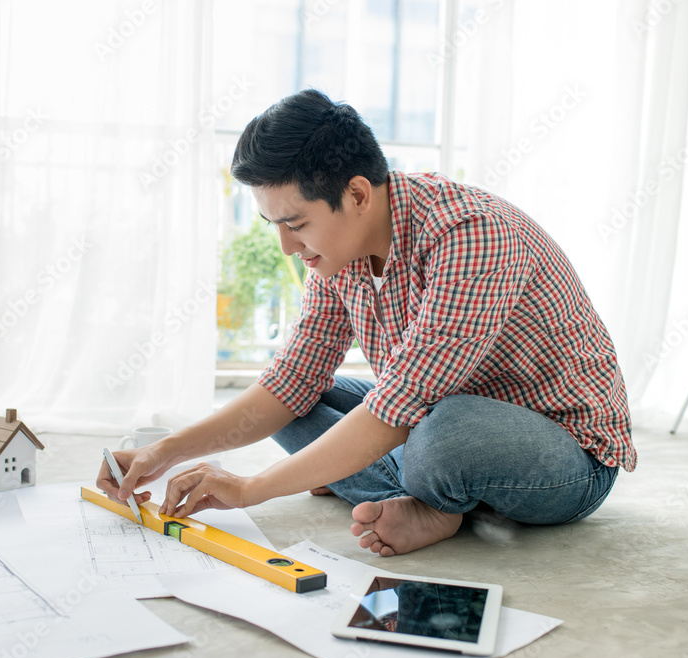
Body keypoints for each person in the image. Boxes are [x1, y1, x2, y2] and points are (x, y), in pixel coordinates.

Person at [97, 89, 635, 556]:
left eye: (296, 224)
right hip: (429, 413)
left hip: (563, 452)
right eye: (274, 226)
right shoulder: (336, 254)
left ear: (356, 194)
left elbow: (403, 402)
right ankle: (418, 493)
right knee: (301, 402)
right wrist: (162, 451)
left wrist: (253, 488)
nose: (287, 247)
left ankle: (412, 489)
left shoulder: (470, 234)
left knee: (440, 437)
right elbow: (289, 382)